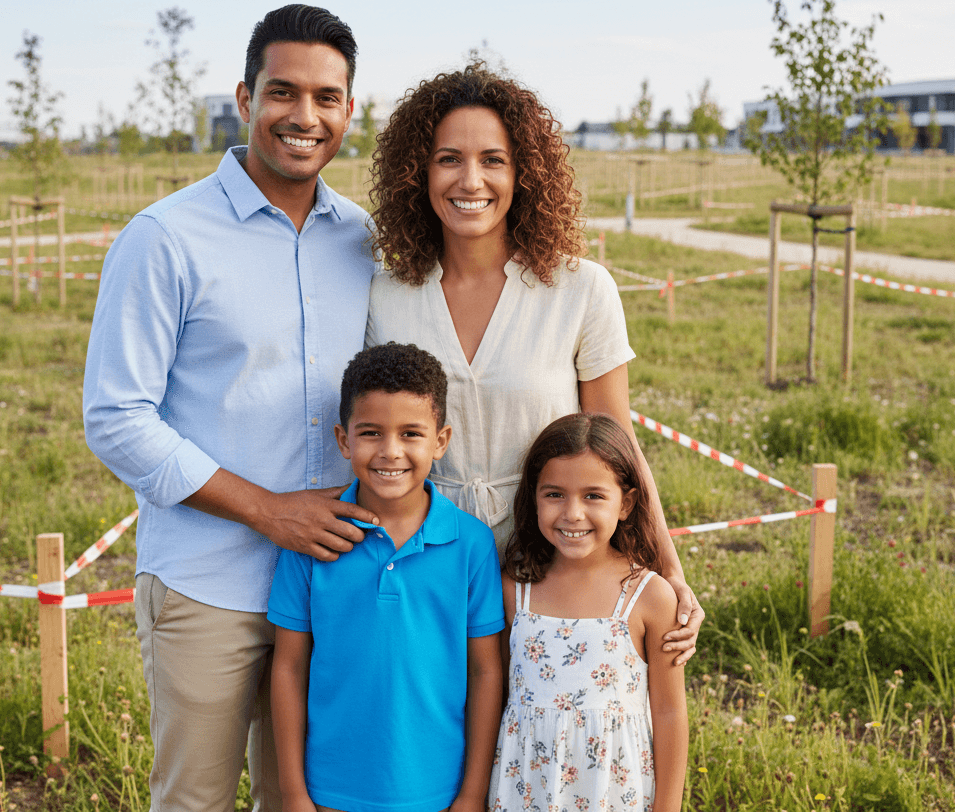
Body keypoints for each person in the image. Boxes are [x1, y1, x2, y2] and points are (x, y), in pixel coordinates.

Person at [83, 4, 380, 812]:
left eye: (327, 98)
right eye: (284, 92)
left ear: (350, 111)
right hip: (207, 585)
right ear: (245, 99)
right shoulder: (165, 237)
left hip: (329, 588)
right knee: (196, 801)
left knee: (305, 800)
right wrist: (264, 511)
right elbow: (115, 417)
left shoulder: (364, 242)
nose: (304, 117)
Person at [366, 62, 703, 665]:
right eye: (449, 158)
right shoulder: (384, 294)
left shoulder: (582, 289)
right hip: (419, 563)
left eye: (493, 159)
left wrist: (669, 570)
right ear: (418, 171)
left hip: (548, 572)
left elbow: (616, 439)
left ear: (525, 174)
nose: (471, 180)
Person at [269, 342, 504, 812]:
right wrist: (294, 793)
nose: (391, 451)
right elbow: (289, 668)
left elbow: (486, 671)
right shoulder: (313, 539)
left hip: (437, 792)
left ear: (441, 440)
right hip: (331, 790)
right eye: (371, 433)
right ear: (343, 439)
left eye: (411, 433)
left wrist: (472, 793)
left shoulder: (471, 544)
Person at [489, 412, 689, 812]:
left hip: (613, 793)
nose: (572, 513)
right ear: (534, 498)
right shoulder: (515, 589)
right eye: (554, 494)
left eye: (593, 496)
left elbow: (669, 713)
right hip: (525, 789)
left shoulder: (649, 597)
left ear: (626, 503)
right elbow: (499, 694)